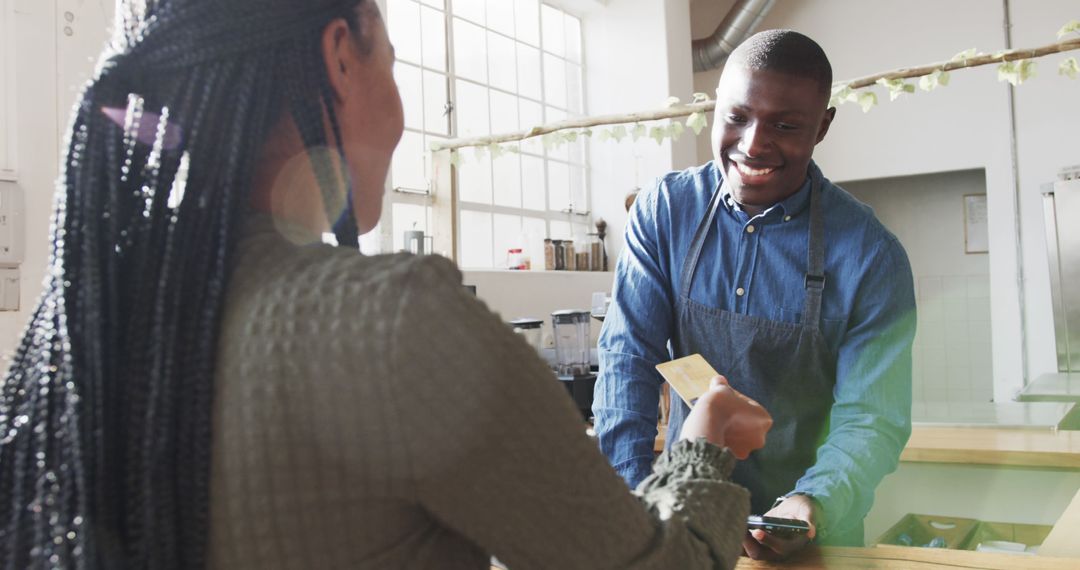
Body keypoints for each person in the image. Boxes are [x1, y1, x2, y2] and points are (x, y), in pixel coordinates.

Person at [0, 1, 775, 568]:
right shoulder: (398, 322)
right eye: (394, 63)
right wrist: (703, 450)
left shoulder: (77, 341)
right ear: (342, 55)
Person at [594, 29, 917, 560]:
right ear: (714, 108)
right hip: (683, 522)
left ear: (823, 127)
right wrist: (632, 501)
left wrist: (812, 502)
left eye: (786, 126)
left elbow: (872, 417)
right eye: (737, 117)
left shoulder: (872, 256)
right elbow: (627, 358)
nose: (753, 145)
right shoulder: (664, 212)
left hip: (813, 538)